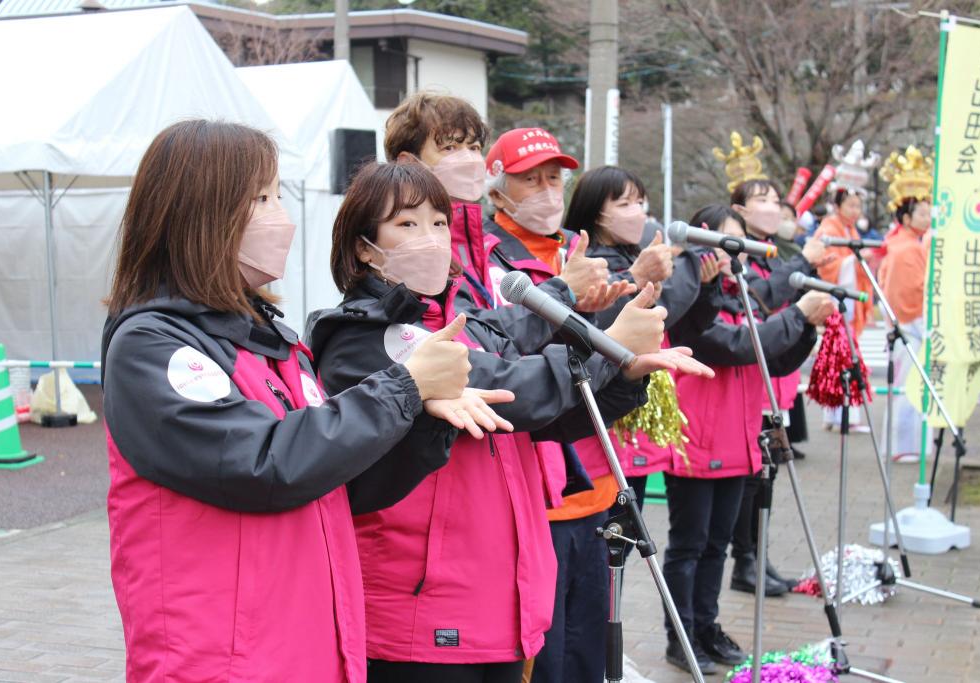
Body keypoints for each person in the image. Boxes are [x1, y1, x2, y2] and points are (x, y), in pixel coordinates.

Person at [101, 120, 511, 682]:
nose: (281, 216)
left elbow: (343, 486)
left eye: (278, 195)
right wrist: (403, 387)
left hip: (309, 647)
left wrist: (418, 419)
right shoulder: (152, 345)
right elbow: (263, 462)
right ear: (203, 213)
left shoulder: (275, 344)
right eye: (262, 197)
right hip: (220, 658)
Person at [306, 161, 713, 683]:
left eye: (437, 223)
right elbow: (512, 391)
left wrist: (626, 374)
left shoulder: (461, 317)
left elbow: (549, 419)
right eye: (406, 225)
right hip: (420, 604)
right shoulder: (367, 335)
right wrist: (612, 352)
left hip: (497, 593)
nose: (429, 239)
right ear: (363, 247)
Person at [484, 130, 684, 683]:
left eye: (555, 179)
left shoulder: (577, 251)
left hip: (594, 474)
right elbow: (512, 358)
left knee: (589, 650)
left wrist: (636, 297)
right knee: (542, 655)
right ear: (498, 190)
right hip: (536, 488)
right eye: (531, 179)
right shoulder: (489, 260)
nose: (547, 192)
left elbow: (604, 351)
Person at [664, 204, 835, 675]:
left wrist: (805, 329)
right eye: (726, 241)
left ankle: (707, 626)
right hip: (697, 440)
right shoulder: (691, 307)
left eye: (742, 242)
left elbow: (770, 360)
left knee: (718, 543)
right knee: (689, 545)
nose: (736, 253)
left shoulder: (741, 297)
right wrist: (796, 314)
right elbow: (736, 346)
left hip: (739, 442)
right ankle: (680, 636)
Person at [383, 92, 629, 354]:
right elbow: (474, 340)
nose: (467, 159)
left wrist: (582, 309)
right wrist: (562, 292)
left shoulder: (483, 245)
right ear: (409, 163)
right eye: (450, 148)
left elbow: (510, 347)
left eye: (474, 148)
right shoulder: (413, 249)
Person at [562, 165, 721, 512]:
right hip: (604, 424)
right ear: (595, 213)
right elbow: (657, 311)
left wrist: (706, 286)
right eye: (624, 204)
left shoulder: (633, 254)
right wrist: (690, 263)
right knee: (609, 528)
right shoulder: (590, 264)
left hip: (634, 416)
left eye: (640, 202)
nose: (637, 212)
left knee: (627, 530)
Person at [728, 180, 823, 596]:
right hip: (752, 379)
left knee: (768, 475)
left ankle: (757, 555)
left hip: (778, 374)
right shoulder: (739, 253)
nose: (773, 208)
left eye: (775, 200)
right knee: (751, 479)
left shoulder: (773, 254)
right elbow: (763, 299)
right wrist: (803, 260)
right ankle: (744, 561)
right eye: (761, 201)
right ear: (740, 211)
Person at [814, 188, 875, 431]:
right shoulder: (829, 230)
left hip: (845, 301)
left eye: (858, 206)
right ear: (838, 206)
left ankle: (836, 415)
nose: (855, 210)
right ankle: (842, 416)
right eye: (851, 205)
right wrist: (857, 259)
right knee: (841, 358)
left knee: (838, 359)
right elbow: (828, 268)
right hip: (837, 300)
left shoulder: (849, 230)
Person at [877, 197, 931, 462]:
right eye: (922, 214)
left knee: (909, 385)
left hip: (905, 325)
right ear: (907, 219)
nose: (928, 218)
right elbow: (909, 292)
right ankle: (903, 445)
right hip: (910, 326)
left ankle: (905, 445)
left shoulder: (905, 245)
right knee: (909, 386)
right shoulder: (907, 249)